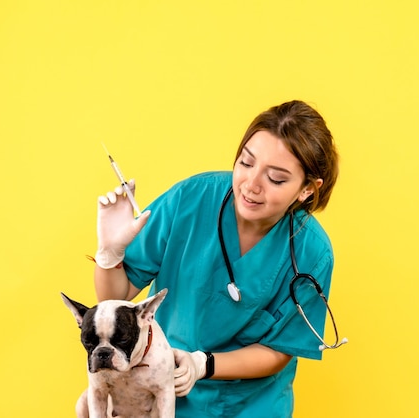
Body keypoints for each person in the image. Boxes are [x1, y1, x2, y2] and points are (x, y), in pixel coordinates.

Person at [93, 100, 339, 417]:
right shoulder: (189, 201)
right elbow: (115, 298)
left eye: (276, 178)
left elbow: (280, 350)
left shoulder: (312, 252)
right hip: (161, 394)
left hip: (252, 406)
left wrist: (203, 364)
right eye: (246, 163)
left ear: (307, 189)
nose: (251, 185)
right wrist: (109, 255)